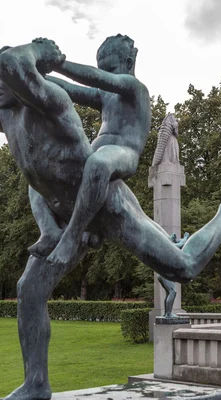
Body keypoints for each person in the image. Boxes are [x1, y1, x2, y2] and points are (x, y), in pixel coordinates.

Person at [0, 38, 221, 400]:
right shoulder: (5, 116)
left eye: (0, 78)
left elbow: (28, 68)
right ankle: (36, 384)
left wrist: (47, 57)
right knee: (29, 289)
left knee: (182, 268)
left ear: (21, 81)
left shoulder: (51, 103)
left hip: (106, 202)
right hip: (66, 210)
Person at [41, 34, 151, 267]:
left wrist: (57, 62)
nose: (106, 75)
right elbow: (71, 89)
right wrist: (38, 74)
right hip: (95, 152)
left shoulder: (134, 88)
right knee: (42, 171)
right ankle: (49, 230)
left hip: (123, 152)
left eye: (110, 69)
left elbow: (96, 79)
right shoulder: (106, 96)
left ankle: (71, 236)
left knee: (99, 164)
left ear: (130, 62)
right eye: (103, 70)